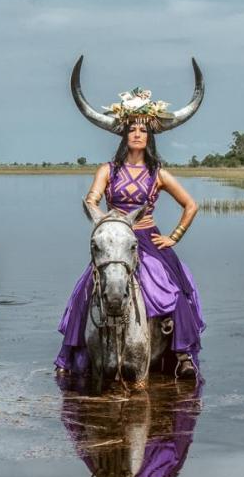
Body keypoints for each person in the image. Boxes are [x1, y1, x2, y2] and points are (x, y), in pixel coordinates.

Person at [56, 101, 205, 379]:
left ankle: (182, 354)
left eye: (143, 130)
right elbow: (91, 200)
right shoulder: (107, 170)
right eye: (132, 130)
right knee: (84, 290)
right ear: (124, 136)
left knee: (172, 287)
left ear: (150, 137)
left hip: (148, 238)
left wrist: (173, 237)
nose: (137, 134)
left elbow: (191, 205)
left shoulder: (158, 173)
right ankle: (70, 352)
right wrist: (106, 221)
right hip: (115, 240)